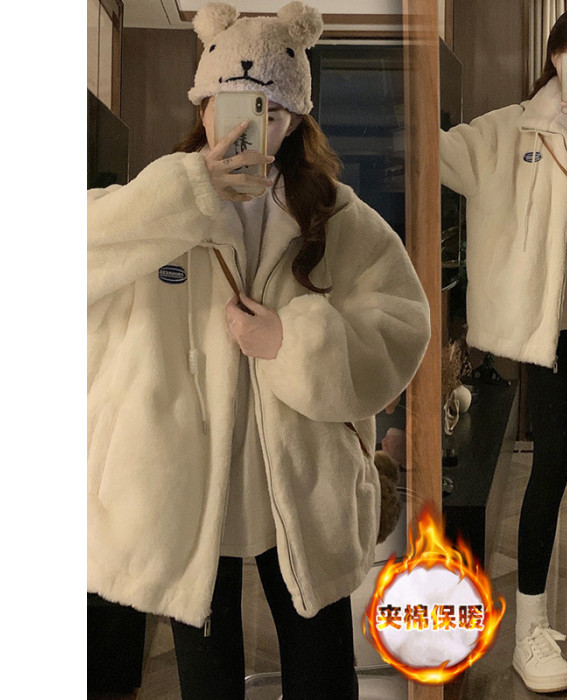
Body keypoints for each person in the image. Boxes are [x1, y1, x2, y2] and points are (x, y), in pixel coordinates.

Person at [87, 3, 430, 699]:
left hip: (301, 485)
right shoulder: (153, 203)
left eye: (271, 111)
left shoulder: (333, 214)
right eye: (234, 103)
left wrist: (290, 343)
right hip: (185, 481)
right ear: (204, 105)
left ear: (296, 120)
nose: (251, 125)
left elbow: (402, 324)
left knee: (322, 673)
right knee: (207, 680)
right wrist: (185, 193)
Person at [439, 6, 567, 694]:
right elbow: (442, 152)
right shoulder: (512, 128)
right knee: (550, 464)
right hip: (547, 322)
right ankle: (531, 630)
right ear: (552, 60)